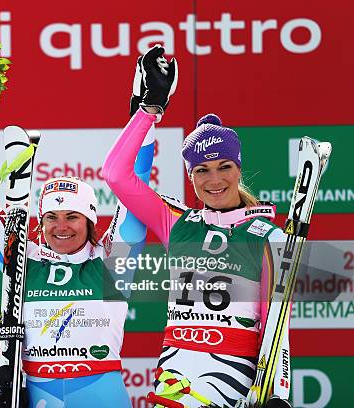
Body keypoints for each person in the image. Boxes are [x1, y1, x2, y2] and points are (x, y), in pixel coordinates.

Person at [102, 45, 292, 407]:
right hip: (173, 379)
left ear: (238, 168)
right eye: (201, 170)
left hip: (231, 382)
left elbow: (278, 325)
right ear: (190, 177)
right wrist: (149, 109)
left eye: (224, 167)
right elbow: (115, 174)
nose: (214, 179)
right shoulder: (178, 223)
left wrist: (279, 394)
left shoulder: (269, 237)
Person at [0, 129, 157, 407]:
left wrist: (146, 119)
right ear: (41, 223)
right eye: (51, 217)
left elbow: (136, 185)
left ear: (90, 220)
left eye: (72, 216)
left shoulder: (112, 261)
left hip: (102, 396)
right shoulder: (21, 259)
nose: (61, 226)